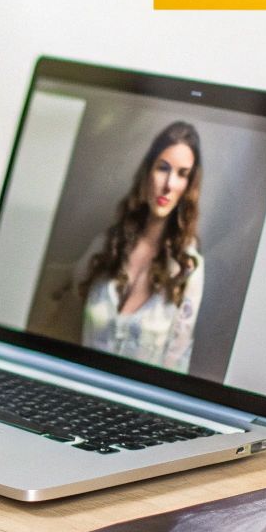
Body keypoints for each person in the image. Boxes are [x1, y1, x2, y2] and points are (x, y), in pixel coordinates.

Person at [74, 121, 206, 371]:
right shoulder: (105, 245)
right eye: (163, 168)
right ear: (147, 173)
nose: (168, 184)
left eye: (182, 174)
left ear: (189, 186)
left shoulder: (188, 268)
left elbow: (177, 361)